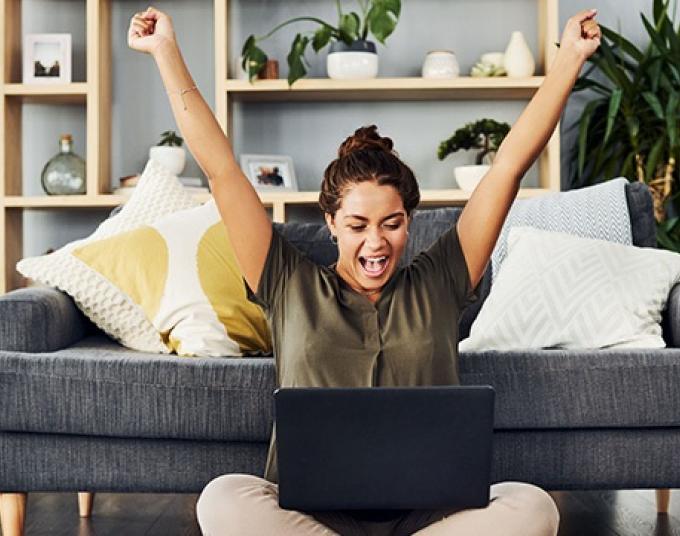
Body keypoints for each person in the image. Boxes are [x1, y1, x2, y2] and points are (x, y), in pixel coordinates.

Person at [128, 6, 601, 535]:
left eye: (392, 223)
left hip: (428, 519)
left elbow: (509, 165)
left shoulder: (441, 279)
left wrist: (568, 60)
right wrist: (165, 53)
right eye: (357, 224)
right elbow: (221, 169)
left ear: (410, 221)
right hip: (311, 518)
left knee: (532, 506)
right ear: (329, 221)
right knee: (223, 499)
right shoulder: (287, 282)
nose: (376, 242)